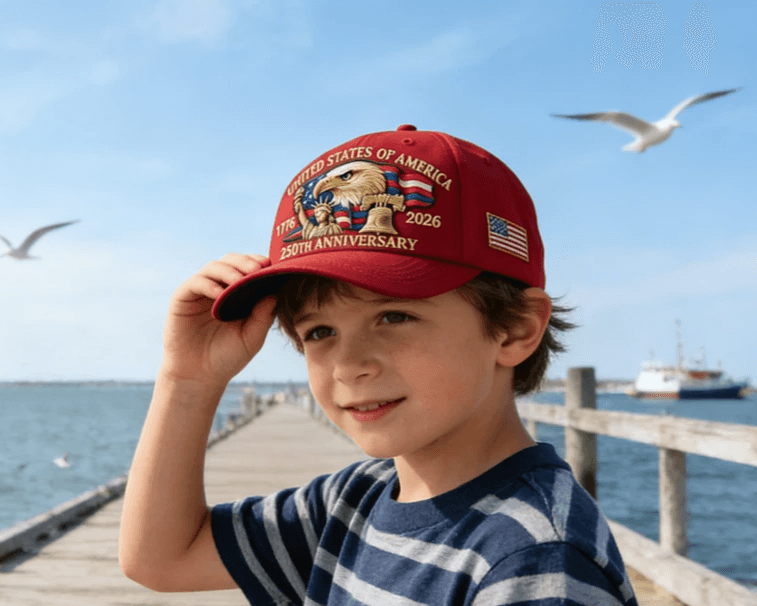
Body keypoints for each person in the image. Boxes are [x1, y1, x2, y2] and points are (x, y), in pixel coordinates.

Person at [119, 125, 638, 605]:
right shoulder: (353, 500)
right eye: (319, 332)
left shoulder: (535, 559)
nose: (348, 364)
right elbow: (162, 558)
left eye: (394, 316)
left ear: (515, 329)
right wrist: (187, 380)